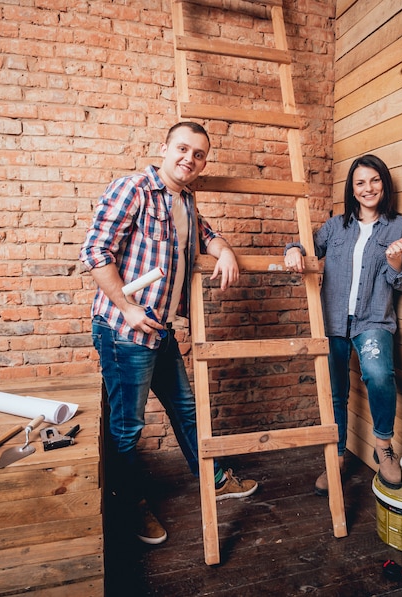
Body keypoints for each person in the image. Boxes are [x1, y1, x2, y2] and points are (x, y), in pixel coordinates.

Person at [80, 121, 258, 545]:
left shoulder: (186, 200)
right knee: (127, 428)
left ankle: (213, 478)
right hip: (125, 331)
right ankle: (126, 505)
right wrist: (126, 307)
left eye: (199, 154)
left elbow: (206, 234)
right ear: (164, 147)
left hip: (159, 330)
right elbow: (94, 251)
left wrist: (225, 250)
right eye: (183, 149)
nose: (189, 159)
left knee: (186, 410)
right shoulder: (133, 189)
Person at [284, 154, 402, 495]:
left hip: (373, 319)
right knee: (335, 391)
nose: (368, 188)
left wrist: (396, 260)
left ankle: (383, 446)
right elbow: (305, 245)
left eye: (374, 180)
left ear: (384, 185)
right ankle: (336, 457)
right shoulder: (336, 225)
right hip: (333, 320)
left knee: (378, 375)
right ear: (352, 188)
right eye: (361, 182)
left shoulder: (399, 227)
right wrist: (293, 250)